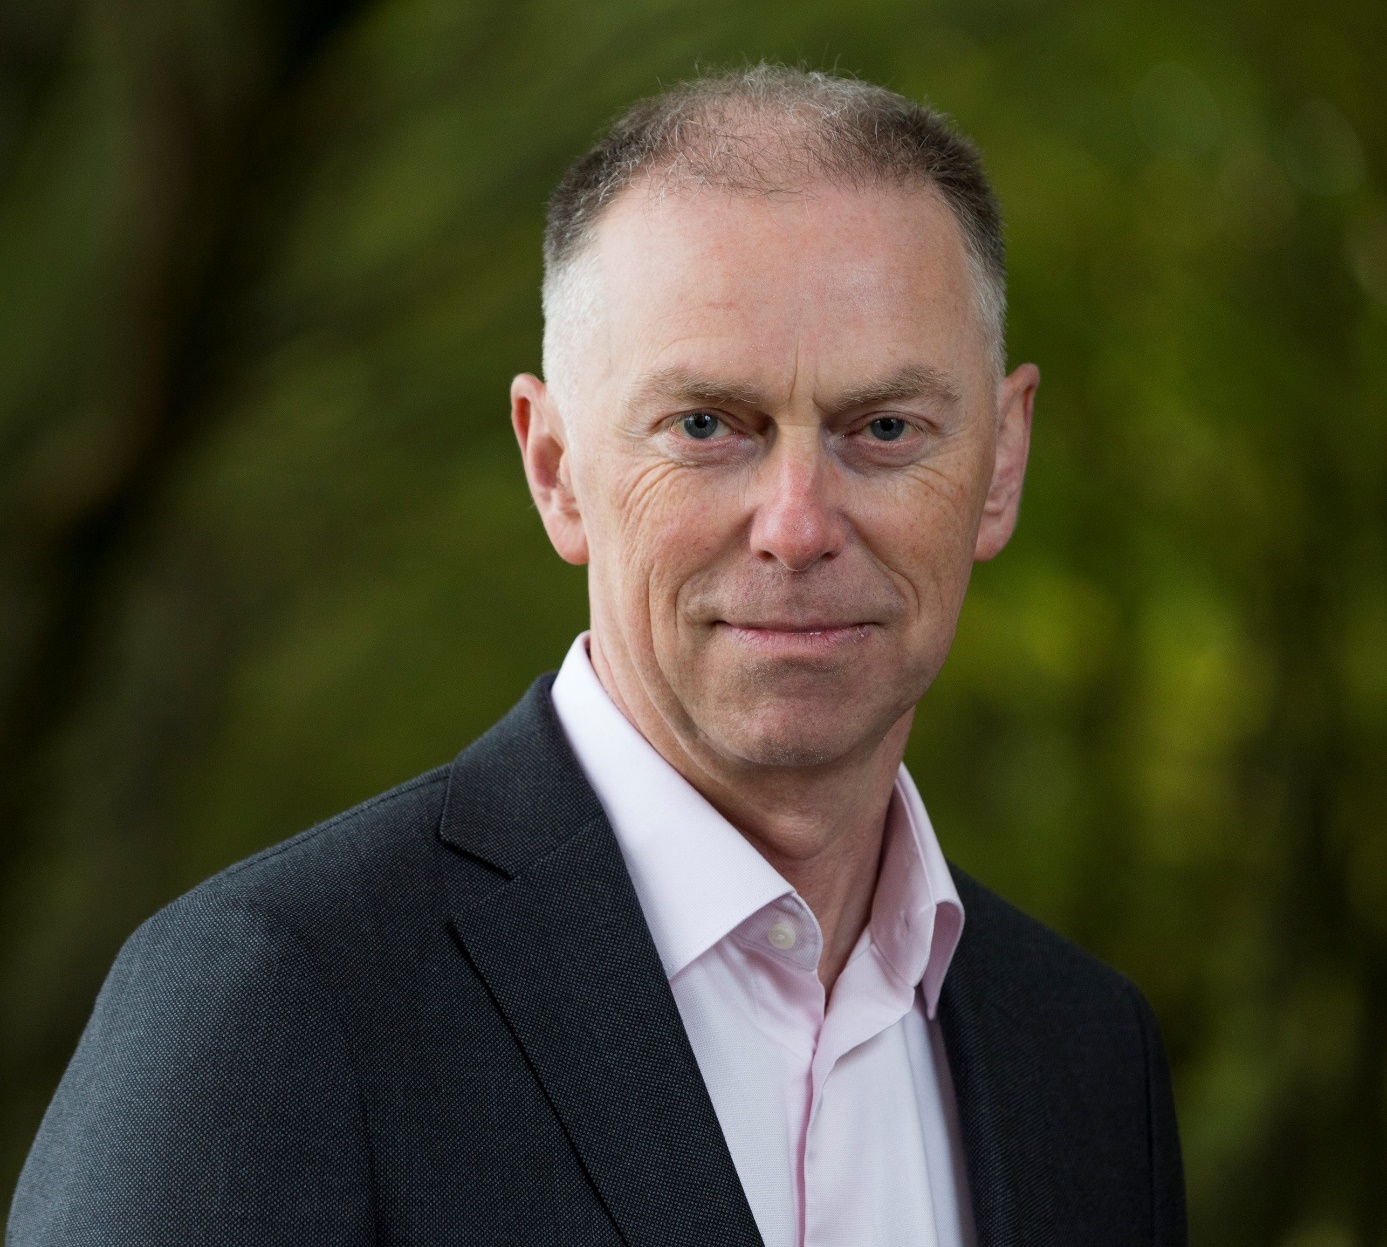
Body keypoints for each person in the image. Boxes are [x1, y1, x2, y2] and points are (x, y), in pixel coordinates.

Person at [7, 66, 1185, 1247]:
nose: (796, 524)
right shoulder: (270, 1000)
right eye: (705, 426)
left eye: (883, 427)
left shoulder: (1084, 1059)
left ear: (1002, 461)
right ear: (556, 469)